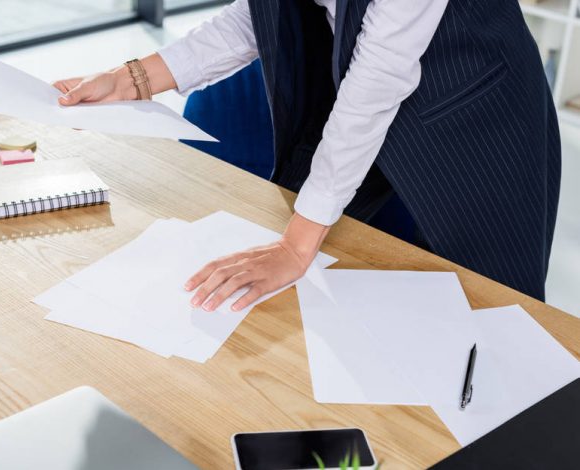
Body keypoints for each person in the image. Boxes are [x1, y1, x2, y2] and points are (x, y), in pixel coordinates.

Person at [53, 0, 561, 310]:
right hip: (365, 92)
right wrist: (131, 79)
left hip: (473, 113)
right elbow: (256, 14)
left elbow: (380, 73)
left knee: (495, 308)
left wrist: (297, 245)